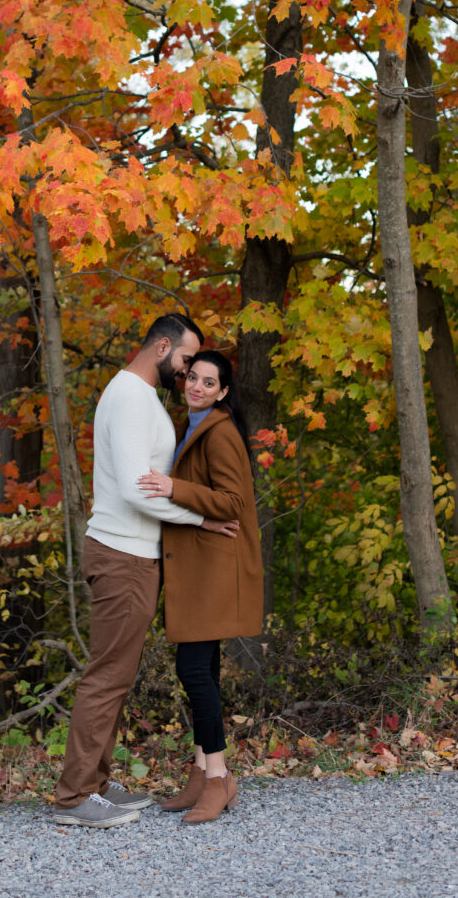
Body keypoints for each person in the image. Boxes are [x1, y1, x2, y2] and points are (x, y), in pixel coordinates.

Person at [54, 316, 239, 828]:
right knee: (108, 676)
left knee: (118, 674)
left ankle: (95, 783)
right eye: (184, 362)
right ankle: (74, 798)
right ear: (162, 346)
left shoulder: (139, 395)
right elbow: (140, 489)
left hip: (135, 554)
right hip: (123, 555)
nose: (186, 375)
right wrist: (202, 516)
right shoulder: (132, 397)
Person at [138, 350, 263, 824]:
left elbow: (233, 501)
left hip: (215, 571)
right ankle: (199, 772)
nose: (197, 387)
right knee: (203, 669)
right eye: (193, 377)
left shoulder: (220, 431)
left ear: (223, 392)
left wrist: (173, 488)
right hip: (200, 565)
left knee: (193, 671)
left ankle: (219, 778)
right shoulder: (190, 424)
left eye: (209, 383)